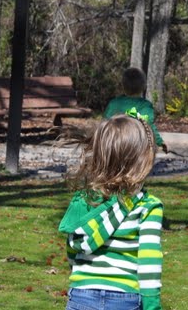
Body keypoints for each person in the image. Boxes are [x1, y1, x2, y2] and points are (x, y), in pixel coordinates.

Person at [58, 113, 164, 310]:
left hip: (81, 296)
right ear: (144, 159)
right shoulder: (148, 206)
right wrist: (152, 306)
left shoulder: (84, 200)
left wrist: (79, 274)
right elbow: (149, 263)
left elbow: (73, 246)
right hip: (125, 299)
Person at [104, 67, 167, 152]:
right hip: (137, 147)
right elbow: (150, 126)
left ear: (123, 85)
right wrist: (160, 142)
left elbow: (104, 125)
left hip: (115, 145)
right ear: (143, 86)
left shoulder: (114, 103)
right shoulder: (146, 106)